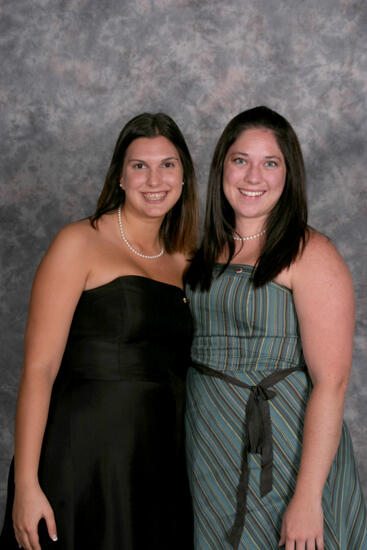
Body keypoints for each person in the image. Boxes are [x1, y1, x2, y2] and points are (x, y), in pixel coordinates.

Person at [1, 112, 198, 550]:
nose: (154, 179)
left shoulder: (188, 258)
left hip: (159, 461)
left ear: (185, 177)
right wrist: (28, 485)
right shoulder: (78, 243)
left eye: (167, 165)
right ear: (121, 177)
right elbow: (40, 368)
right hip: (82, 459)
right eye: (139, 166)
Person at [184, 106, 367, 549]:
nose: (253, 176)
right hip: (211, 442)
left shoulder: (310, 252)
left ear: (289, 174)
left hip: (285, 449)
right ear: (222, 166)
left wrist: (307, 498)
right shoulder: (202, 249)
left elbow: (332, 382)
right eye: (241, 160)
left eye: (271, 163)